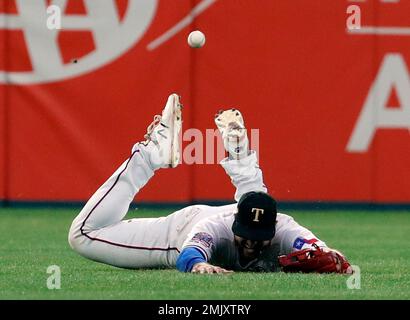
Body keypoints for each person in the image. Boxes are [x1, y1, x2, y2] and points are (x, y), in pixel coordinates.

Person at [68, 93, 352, 274]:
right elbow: (189, 254)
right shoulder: (216, 229)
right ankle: (150, 154)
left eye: (258, 238)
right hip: (178, 231)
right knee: (82, 235)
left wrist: (333, 259)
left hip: (236, 209)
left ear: (273, 229)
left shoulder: (284, 227)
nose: (251, 245)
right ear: (235, 227)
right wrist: (199, 265)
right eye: (246, 237)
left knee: (254, 199)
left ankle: (238, 149)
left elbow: (320, 250)